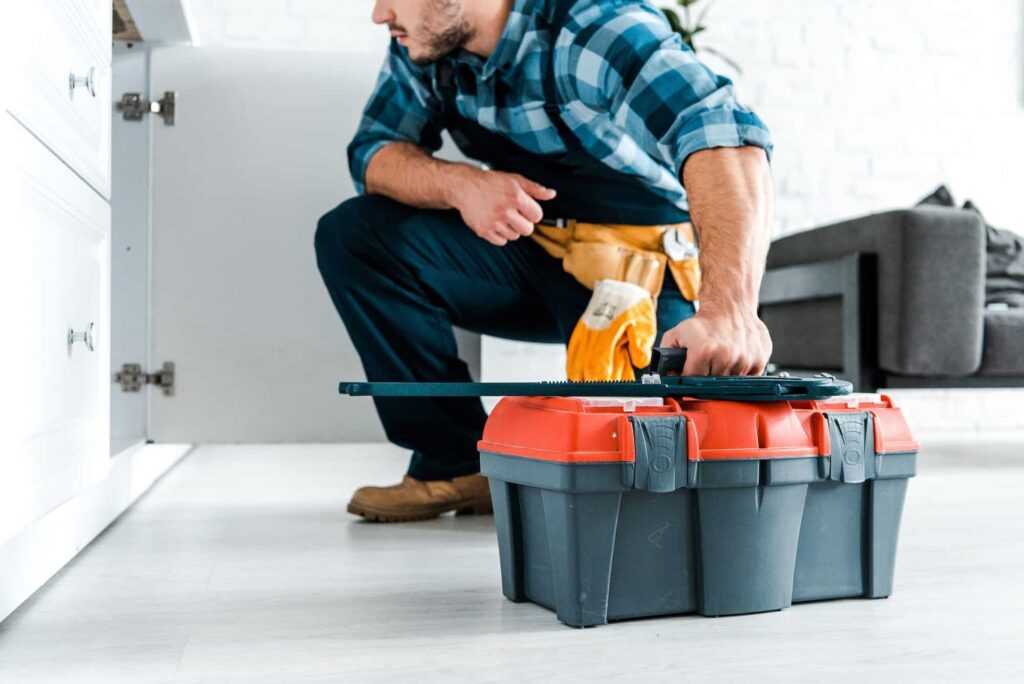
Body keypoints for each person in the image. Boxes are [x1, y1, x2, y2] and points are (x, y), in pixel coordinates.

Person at [315, 0, 776, 522]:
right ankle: (455, 462)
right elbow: (373, 150)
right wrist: (460, 183)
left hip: (640, 274)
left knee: (659, 470)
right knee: (355, 235)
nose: (380, 14)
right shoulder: (426, 43)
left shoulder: (595, 28)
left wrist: (729, 313)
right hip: (532, 252)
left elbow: (722, 134)